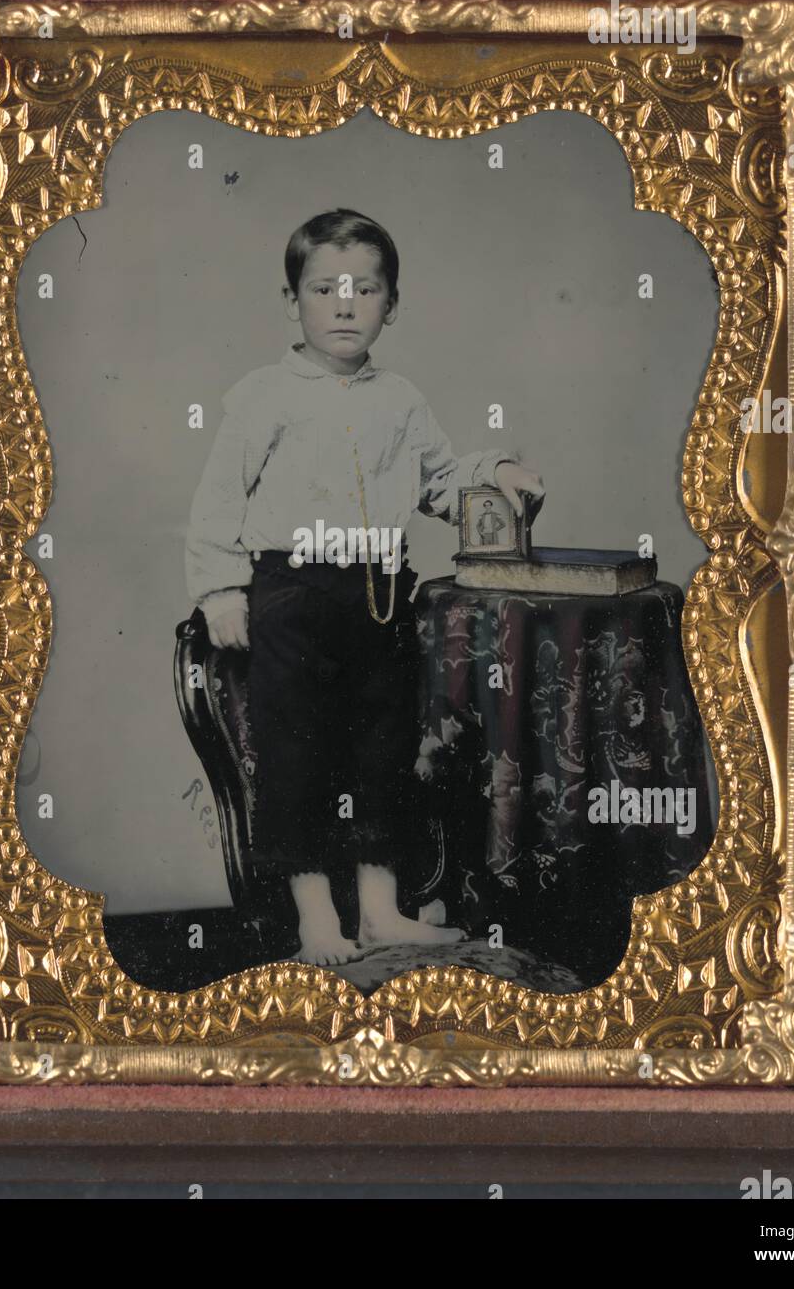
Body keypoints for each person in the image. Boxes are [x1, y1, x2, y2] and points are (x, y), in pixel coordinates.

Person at [185, 208, 544, 965]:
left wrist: (495, 474)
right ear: (293, 303)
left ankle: (382, 911)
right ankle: (319, 920)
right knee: (298, 756)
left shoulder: (401, 400)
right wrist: (221, 591)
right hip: (292, 596)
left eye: (365, 290)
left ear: (392, 304)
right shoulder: (261, 396)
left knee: (383, 753)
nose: (345, 305)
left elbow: (441, 483)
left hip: (381, 598)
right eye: (325, 289)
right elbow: (219, 501)